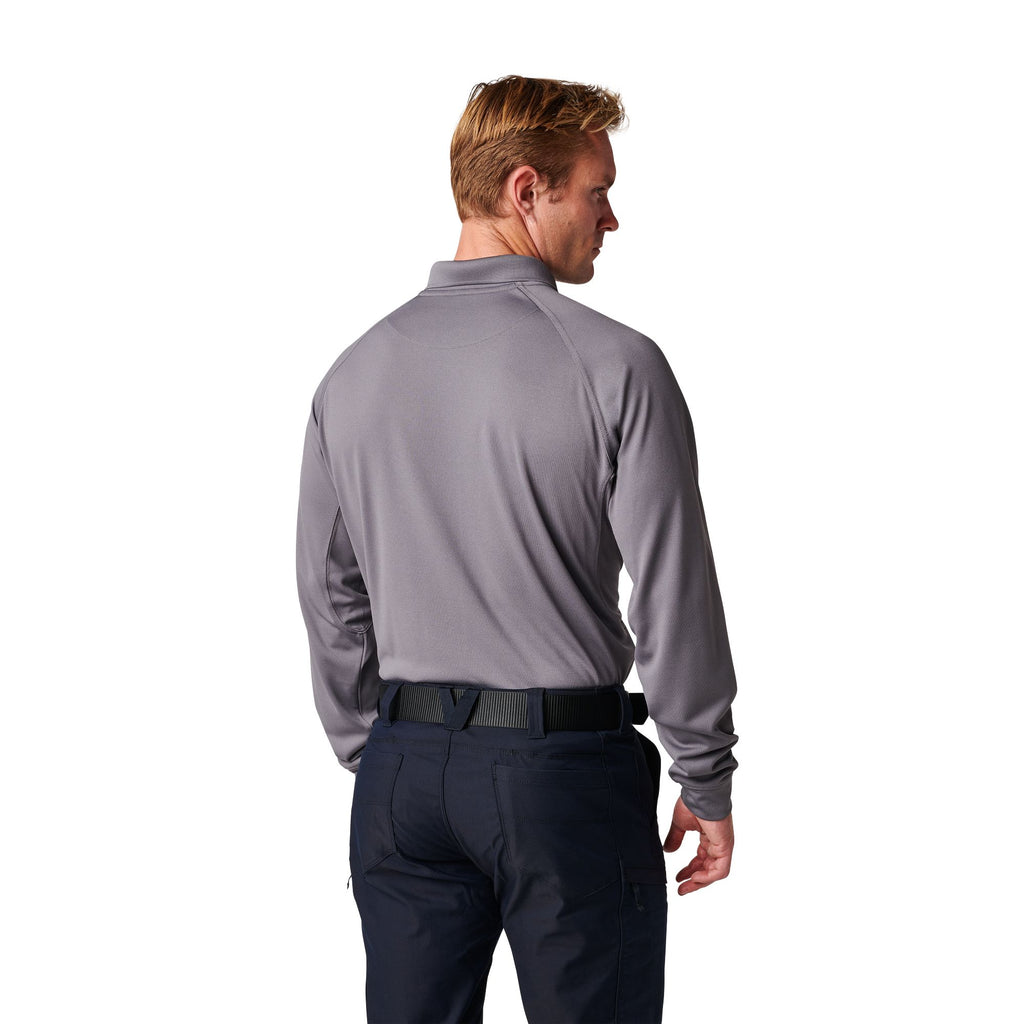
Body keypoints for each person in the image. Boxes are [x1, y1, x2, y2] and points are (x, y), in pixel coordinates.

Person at [295, 74, 739, 1024]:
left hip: (402, 777)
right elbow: (672, 592)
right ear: (526, 189)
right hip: (561, 778)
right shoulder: (615, 365)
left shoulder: (353, 372)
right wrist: (703, 772)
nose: (610, 218)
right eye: (597, 191)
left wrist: (379, 751)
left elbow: (331, 595)